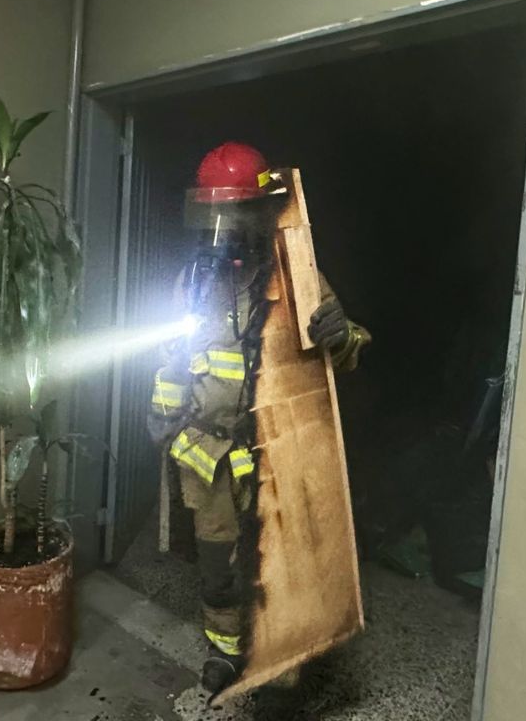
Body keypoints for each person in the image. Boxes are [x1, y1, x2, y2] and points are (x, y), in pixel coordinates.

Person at [147, 142, 369, 693]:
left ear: (260, 213)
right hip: (209, 456)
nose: (221, 228)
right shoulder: (191, 284)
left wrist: (341, 338)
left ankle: (287, 647)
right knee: (219, 564)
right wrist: (165, 424)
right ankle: (225, 651)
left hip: (276, 448)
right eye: (212, 213)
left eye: (234, 213)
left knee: (281, 556)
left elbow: (343, 356)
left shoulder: (295, 279)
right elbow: (170, 363)